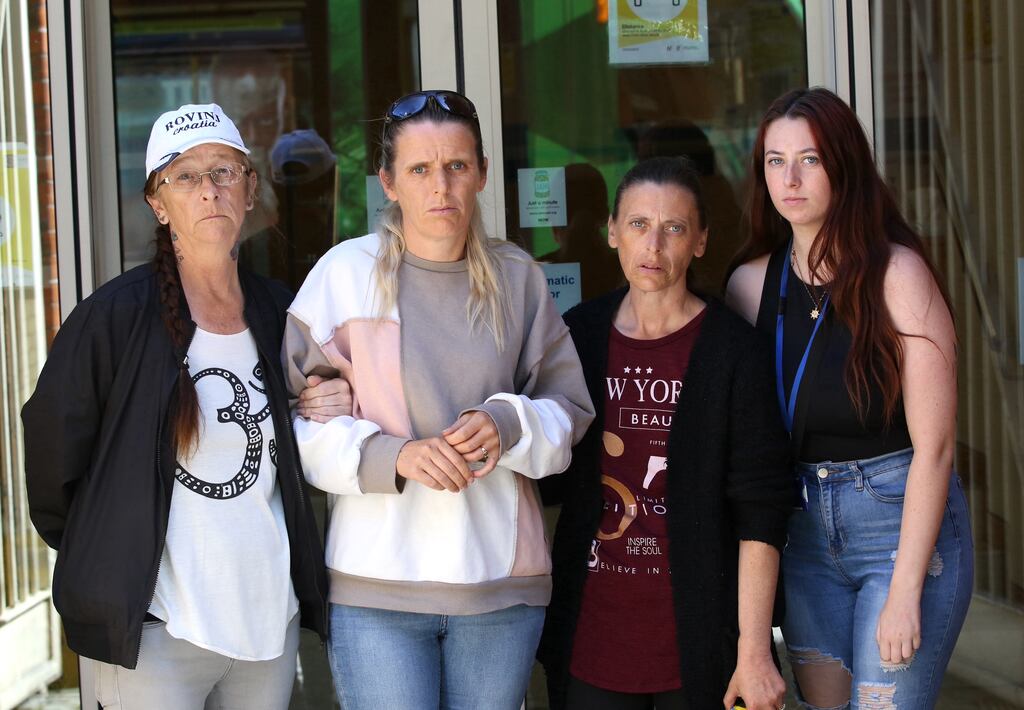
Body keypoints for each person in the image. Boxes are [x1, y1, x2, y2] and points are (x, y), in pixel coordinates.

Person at [22, 103, 348, 709]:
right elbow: (52, 462)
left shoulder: (281, 313)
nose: (209, 192)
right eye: (187, 177)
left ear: (251, 190)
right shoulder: (113, 318)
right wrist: (109, 552)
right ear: (158, 202)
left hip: (265, 625)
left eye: (224, 171)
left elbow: (309, 443)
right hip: (158, 631)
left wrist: (327, 399)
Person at [282, 89, 595, 710]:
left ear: (481, 173)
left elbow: (571, 415)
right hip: (376, 591)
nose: (440, 186)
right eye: (420, 169)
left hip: (497, 587)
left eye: (456, 166)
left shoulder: (517, 279)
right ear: (388, 182)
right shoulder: (344, 276)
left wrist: (508, 423)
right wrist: (389, 456)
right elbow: (291, 429)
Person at [726, 87, 973, 709]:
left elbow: (936, 449)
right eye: (775, 161)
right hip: (802, 531)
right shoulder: (750, 285)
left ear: (845, 164)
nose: (791, 178)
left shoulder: (898, 276)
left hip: (896, 523)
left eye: (810, 159)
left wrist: (906, 589)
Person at [538, 156, 792, 710]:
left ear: (701, 240)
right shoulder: (577, 336)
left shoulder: (733, 351)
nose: (654, 246)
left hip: (697, 639)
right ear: (612, 233)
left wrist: (754, 650)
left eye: (674, 228)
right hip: (592, 632)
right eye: (638, 225)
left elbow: (761, 510)